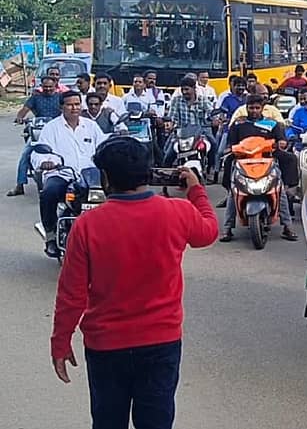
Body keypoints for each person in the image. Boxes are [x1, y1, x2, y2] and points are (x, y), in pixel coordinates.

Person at [50, 137, 218, 429]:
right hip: (161, 342)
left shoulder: (87, 225)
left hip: (106, 346)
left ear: (105, 177)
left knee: (107, 420)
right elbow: (208, 232)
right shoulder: (177, 211)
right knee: (156, 421)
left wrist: (60, 341)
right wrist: (196, 191)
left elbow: (71, 295)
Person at [32, 91, 108, 257]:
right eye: (70, 104)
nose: (74, 108)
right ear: (62, 107)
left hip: (90, 176)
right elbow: (37, 153)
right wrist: (45, 162)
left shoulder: (91, 126)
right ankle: (51, 237)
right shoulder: (51, 128)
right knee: (48, 193)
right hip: (62, 175)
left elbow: (103, 147)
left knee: (114, 195)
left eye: (77, 104)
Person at [221, 95, 299, 242]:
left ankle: (287, 227)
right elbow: (230, 144)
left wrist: (281, 142)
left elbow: (281, 139)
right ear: (247, 108)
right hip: (243, 161)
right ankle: (227, 229)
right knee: (234, 190)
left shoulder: (272, 124)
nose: (254, 111)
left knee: (279, 189)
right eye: (251, 108)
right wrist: (229, 149)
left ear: (262, 108)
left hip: (267, 160)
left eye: (257, 108)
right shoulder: (238, 125)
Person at [8, 76, 64, 196]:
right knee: (25, 155)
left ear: (55, 86)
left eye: (50, 86)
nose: (48, 89)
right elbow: (24, 109)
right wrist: (19, 117)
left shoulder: (60, 98)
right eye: (45, 87)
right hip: (38, 132)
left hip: (57, 131)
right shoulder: (35, 98)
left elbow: (66, 110)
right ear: (41, 87)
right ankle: (20, 185)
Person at [164, 76, 214, 166]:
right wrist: (170, 124)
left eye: (187, 89)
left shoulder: (202, 100)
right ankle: (166, 172)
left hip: (200, 133)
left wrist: (214, 120)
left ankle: (212, 168)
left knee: (213, 144)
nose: (184, 92)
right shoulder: (177, 100)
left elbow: (211, 113)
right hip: (181, 133)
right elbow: (172, 117)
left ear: (194, 88)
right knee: (168, 154)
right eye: (182, 90)